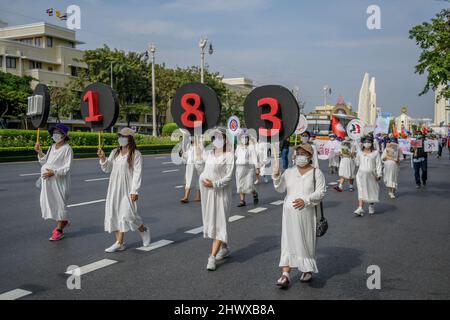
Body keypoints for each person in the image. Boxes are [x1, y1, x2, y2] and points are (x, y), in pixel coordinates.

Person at [272, 143, 326, 288]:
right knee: (288, 241)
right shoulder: (289, 172)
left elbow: (321, 192)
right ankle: (285, 274)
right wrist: (276, 175)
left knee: (306, 241)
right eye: (298, 153)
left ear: (310, 156)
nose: (300, 156)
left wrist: (306, 200)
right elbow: (280, 188)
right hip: (289, 215)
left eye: (303, 153)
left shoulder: (316, 173)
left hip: (307, 214)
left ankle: (307, 270)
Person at [97, 127, 151, 252]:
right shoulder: (115, 152)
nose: (121, 139)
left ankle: (144, 230)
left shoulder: (135, 154)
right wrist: (102, 158)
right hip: (114, 187)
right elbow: (107, 168)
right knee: (114, 213)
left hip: (128, 187)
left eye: (124, 137)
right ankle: (119, 242)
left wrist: (134, 190)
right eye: (120, 136)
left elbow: (137, 173)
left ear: (130, 139)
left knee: (128, 215)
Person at [195, 128, 234, 271]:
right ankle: (224, 248)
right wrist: (198, 155)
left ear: (225, 139)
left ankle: (212, 257)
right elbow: (201, 169)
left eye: (219, 137)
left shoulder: (229, 156)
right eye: (214, 137)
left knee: (220, 223)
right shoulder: (209, 154)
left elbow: (229, 177)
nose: (217, 140)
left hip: (221, 193)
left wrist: (214, 184)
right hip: (208, 193)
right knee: (213, 221)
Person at [34, 124, 73, 241]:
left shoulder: (67, 149)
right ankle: (63, 221)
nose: (55, 135)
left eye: (58, 132)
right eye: (54, 132)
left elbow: (67, 168)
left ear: (64, 135)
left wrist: (54, 172)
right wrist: (39, 152)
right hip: (48, 182)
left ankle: (59, 230)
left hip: (59, 182)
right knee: (52, 203)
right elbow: (45, 162)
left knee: (60, 204)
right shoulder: (52, 147)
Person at [354, 136, 382, 216]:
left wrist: (379, 174)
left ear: (372, 143)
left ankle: (371, 205)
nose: (367, 144)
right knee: (361, 190)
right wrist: (354, 156)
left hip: (371, 175)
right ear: (362, 143)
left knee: (371, 190)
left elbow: (378, 164)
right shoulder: (360, 152)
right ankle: (360, 208)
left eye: (369, 142)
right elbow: (357, 163)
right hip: (360, 175)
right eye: (365, 142)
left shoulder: (375, 153)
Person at [235, 132, 260, 207]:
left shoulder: (251, 147)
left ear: (248, 139)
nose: (244, 139)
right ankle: (242, 201)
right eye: (242, 138)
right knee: (240, 184)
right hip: (239, 168)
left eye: (246, 137)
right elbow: (236, 155)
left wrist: (257, 168)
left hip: (248, 169)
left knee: (249, 185)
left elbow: (254, 158)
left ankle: (255, 193)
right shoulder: (238, 147)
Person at [180, 138, 201, 203]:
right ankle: (186, 197)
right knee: (188, 179)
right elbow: (186, 156)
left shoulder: (200, 144)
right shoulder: (189, 146)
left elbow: (201, 154)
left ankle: (198, 196)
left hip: (199, 164)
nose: (192, 139)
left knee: (199, 179)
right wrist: (182, 154)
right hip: (190, 164)